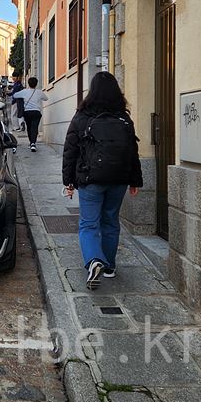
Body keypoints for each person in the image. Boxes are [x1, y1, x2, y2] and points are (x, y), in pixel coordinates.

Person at [62, 72, 143, 289]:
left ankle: (93, 260)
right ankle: (109, 267)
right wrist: (135, 180)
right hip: (119, 179)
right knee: (111, 221)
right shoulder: (124, 118)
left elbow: (70, 151)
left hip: (91, 179)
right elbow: (132, 151)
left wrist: (68, 181)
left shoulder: (82, 117)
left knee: (88, 223)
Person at [14, 77, 48, 152]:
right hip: (36, 112)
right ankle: (33, 143)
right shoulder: (39, 92)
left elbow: (15, 95)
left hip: (27, 112)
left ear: (28, 83)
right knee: (34, 127)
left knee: (29, 127)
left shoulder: (24, 91)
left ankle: (31, 143)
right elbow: (46, 98)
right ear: (36, 84)